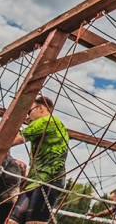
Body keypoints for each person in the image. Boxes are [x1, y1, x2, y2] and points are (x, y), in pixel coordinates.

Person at [8, 95, 69, 224]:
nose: (27, 117)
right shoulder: (54, 123)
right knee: (13, 220)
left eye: (29, 111)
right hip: (36, 179)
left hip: (49, 179)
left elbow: (13, 140)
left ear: (41, 108)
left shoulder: (47, 121)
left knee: (34, 222)